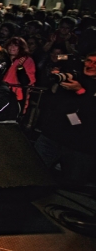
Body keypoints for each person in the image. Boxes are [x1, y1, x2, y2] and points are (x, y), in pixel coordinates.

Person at [34, 51, 96, 186]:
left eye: (95, 63)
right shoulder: (74, 76)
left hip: (81, 144)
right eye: (89, 61)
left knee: (72, 185)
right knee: (33, 172)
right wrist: (55, 77)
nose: (91, 65)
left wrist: (80, 91)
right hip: (52, 135)